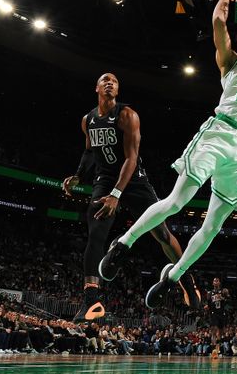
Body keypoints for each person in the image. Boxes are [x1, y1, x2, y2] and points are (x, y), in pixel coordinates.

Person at [98, 0, 237, 307]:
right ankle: (123, 244)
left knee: (214, 224)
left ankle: (172, 277)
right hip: (219, 133)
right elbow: (219, 26)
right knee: (177, 202)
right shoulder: (229, 64)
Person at [62, 73, 196, 322]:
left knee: (162, 234)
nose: (110, 83)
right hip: (104, 180)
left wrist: (116, 194)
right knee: (96, 233)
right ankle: (92, 301)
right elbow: (90, 151)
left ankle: (186, 280)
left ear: (118, 89)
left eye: (114, 81)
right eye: (105, 80)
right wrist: (79, 176)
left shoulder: (127, 115)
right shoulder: (88, 120)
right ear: (97, 87)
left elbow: (131, 159)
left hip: (134, 179)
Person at [204, 277, 229, 349]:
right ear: (212, 283)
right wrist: (207, 307)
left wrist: (225, 296)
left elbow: (229, 300)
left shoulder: (223, 291)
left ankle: (218, 346)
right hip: (213, 313)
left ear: (219, 283)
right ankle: (213, 349)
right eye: (214, 281)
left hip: (222, 312)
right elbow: (208, 304)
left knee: (221, 332)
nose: (215, 282)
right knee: (214, 331)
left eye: (217, 281)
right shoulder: (209, 293)